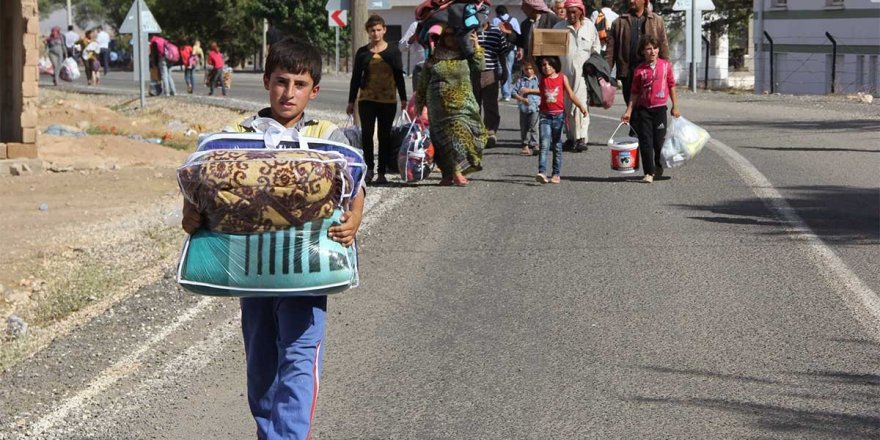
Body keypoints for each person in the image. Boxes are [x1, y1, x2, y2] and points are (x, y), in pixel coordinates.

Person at [181, 36, 365, 439]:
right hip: (253, 270)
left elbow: (354, 183)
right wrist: (191, 209)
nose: (289, 93)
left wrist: (354, 217)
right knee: (261, 364)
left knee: (299, 357)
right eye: (281, 81)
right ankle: (270, 432)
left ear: (314, 90)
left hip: (308, 269)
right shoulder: (237, 133)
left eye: (300, 85)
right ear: (267, 81)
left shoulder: (327, 136)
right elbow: (205, 181)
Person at [416, 26, 487, 187]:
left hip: (462, 105)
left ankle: (457, 170)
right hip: (438, 107)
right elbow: (423, 83)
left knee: (461, 137)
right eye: (448, 35)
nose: (452, 38)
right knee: (442, 142)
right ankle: (449, 174)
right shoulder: (434, 58)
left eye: (455, 35)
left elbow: (480, 66)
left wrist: (476, 46)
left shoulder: (465, 55)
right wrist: (420, 105)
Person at [347, 14, 407, 184]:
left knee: (384, 136)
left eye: (379, 30)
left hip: (388, 101)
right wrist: (351, 101)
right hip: (367, 100)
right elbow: (356, 78)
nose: (376, 33)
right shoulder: (362, 53)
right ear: (368, 32)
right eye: (372, 30)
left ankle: (382, 172)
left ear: (384, 30)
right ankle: (369, 169)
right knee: (367, 135)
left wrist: (403, 99)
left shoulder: (393, 51)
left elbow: (399, 76)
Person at [519, 56, 587, 184]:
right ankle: (542, 172)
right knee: (544, 144)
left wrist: (581, 107)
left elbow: (571, 94)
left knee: (556, 145)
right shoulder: (541, 78)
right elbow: (542, 91)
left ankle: (556, 173)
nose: (546, 67)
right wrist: (529, 91)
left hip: (558, 116)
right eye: (544, 65)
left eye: (549, 64)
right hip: (545, 116)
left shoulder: (562, 78)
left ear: (555, 65)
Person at [621, 36, 680, 183]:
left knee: (658, 142)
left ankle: (658, 166)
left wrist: (675, 106)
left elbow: (672, 86)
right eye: (648, 48)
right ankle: (648, 172)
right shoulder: (639, 70)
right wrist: (628, 111)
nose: (652, 51)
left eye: (655, 48)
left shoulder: (665, 66)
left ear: (659, 49)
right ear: (643, 51)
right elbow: (634, 92)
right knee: (645, 141)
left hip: (660, 110)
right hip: (643, 110)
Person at [553, 0, 600, 153]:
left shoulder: (589, 27)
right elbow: (551, 52)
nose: (571, 15)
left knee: (580, 104)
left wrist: (594, 66)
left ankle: (582, 138)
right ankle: (571, 137)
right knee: (567, 106)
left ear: (581, 12)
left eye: (574, 12)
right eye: (569, 12)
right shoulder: (559, 28)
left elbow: (596, 48)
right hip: (564, 73)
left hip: (583, 74)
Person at [605, 0, 670, 107]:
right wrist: (605, 75)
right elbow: (610, 53)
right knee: (633, 113)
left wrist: (666, 73)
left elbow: (664, 48)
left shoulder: (656, 21)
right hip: (629, 74)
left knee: (651, 109)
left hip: (652, 74)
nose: (631, 1)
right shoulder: (619, 23)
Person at [476, 19, 510, 149]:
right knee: (474, 105)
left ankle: (490, 132)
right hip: (473, 72)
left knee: (491, 105)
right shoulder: (470, 29)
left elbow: (502, 53)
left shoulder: (496, 31)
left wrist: (505, 70)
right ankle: (476, 133)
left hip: (491, 72)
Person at [516, 0, 562, 67]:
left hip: (548, 65)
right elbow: (522, 42)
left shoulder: (552, 20)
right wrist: (510, 33)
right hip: (531, 66)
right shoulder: (525, 24)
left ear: (533, 7)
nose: (522, 8)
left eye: (524, 6)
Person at [492, 5, 520, 101]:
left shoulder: (495, 20)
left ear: (497, 12)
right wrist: (520, 49)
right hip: (511, 48)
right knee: (508, 69)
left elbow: (493, 35)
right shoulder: (514, 20)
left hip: (498, 48)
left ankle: (499, 92)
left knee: (499, 69)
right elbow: (518, 35)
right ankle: (506, 94)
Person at [512, 60, 540, 156]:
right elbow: (513, 93)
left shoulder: (537, 80)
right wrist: (522, 99)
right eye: (526, 69)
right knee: (524, 127)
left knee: (534, 127)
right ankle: (525, 145)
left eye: (531, 69)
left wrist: (530, 91)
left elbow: (542, 91)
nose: (528, 71)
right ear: (523, 69)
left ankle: (535, 144)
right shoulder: (520, 81)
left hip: (535, 107)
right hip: (523, 108)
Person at [399, 20, 426, 89]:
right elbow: (401, 47)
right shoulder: (416, 25)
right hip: (420, 70)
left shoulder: (443, 23)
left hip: (440, 70)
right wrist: (412, 38)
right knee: (418, 98)